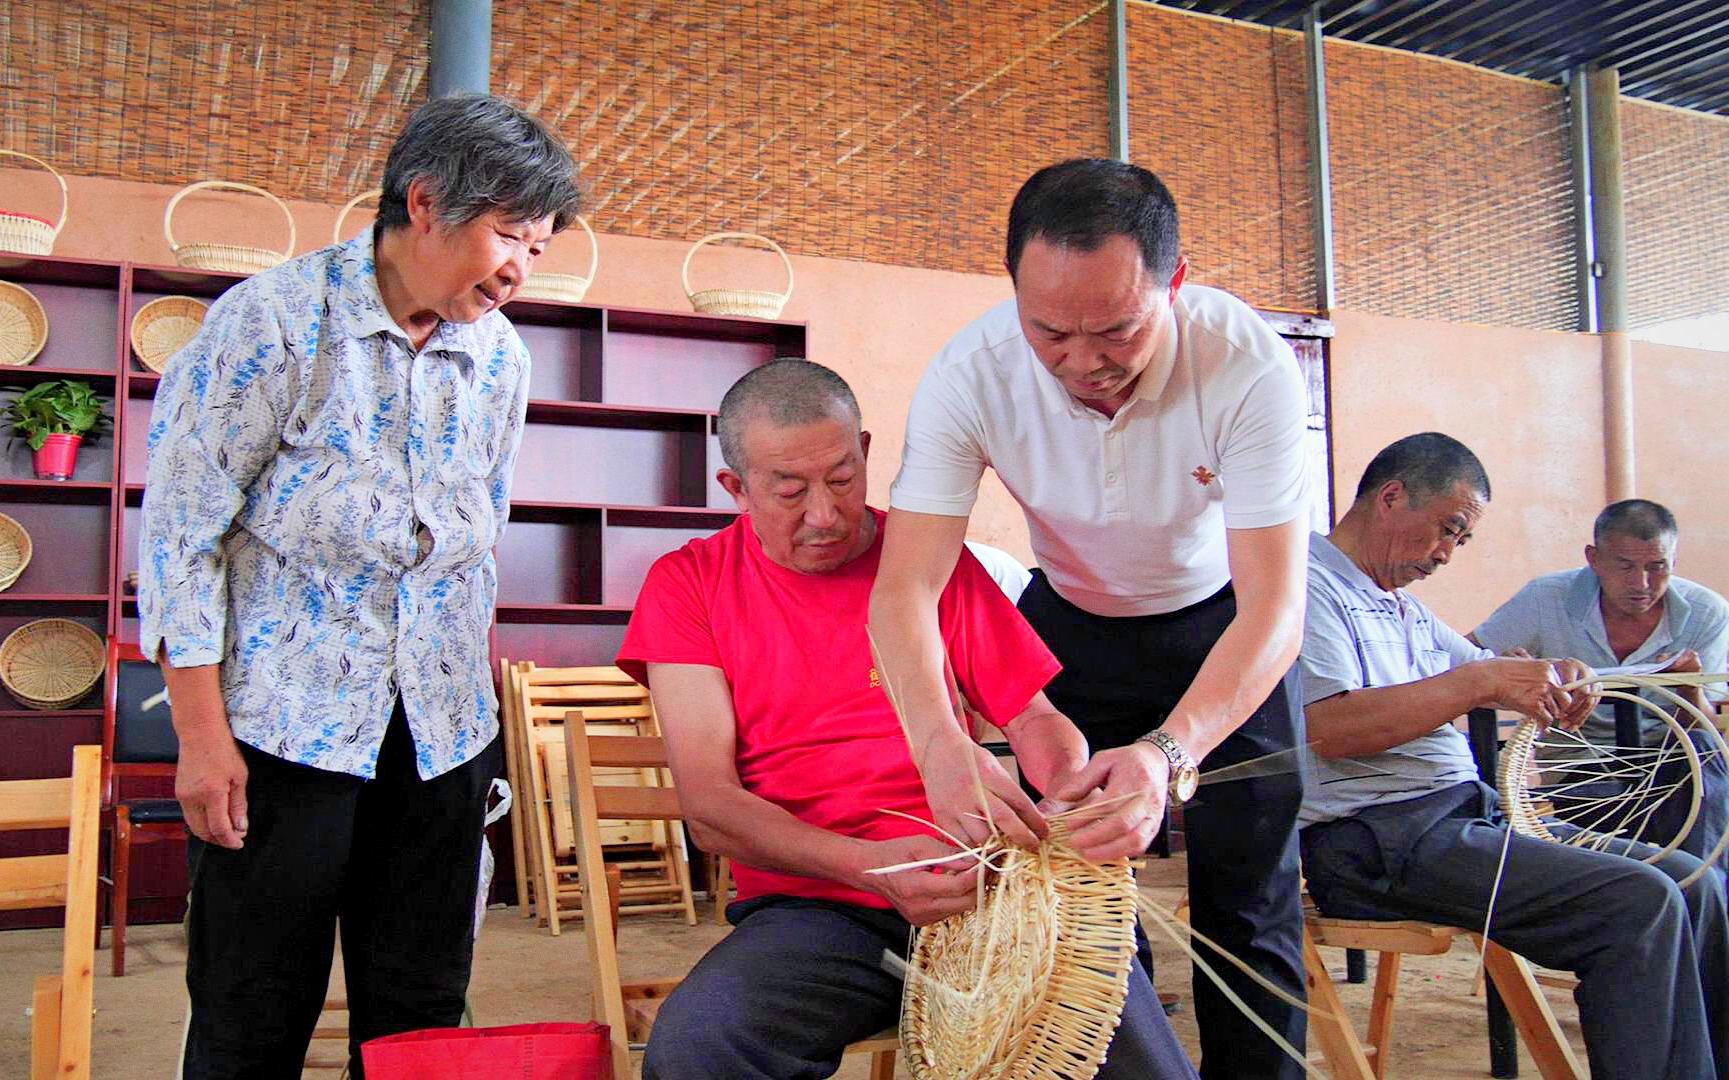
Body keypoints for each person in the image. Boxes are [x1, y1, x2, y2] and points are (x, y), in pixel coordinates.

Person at [138, 94, 582, 1078]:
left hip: (440, 737)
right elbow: (179, 536)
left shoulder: (500, 358)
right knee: (252, 1010)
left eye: (539, 248)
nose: (520, 268)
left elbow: (475, 541)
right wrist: (203, 740)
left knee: (424, 1016)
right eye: (509, 236)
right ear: (423, 205)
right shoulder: (273, 325)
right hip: (282, 732)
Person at [618, 360, 1196, 1080]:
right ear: (736, 487)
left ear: (865, 450)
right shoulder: (690, 584)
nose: (824, 514)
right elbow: (710, 807)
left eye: (841, 478)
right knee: (701, 1045)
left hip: (988, 894)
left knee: (1115, 1040)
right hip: (820, 909)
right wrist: (871, 868)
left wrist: (1069, 788)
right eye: (789, 491)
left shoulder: (930, 563)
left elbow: (1034, 718)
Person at [868, 158, 1310, 1076]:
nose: (1082, 363)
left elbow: (1276, 606)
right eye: (1050, 332)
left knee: (1250, 905)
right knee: (1079, 899)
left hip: (1219, 630)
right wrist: (941, 745)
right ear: (1015, 295)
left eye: (1116, 330)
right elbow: (905, 587)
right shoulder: (973, 374)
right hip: (1069, 623)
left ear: (1174, 284)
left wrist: (1170, 754)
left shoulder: (1247, 363)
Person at [1299, 433, 1729, 1080]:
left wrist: (1554, 677)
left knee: (1693, 884)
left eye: (1460, 540)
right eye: (1447, 530)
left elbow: (1487, 667)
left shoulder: (1402, 604)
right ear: (1391, 498)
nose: (1446, 553)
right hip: (1377, 841)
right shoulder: (1308, 587)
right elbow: (1328, 729)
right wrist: (1481, 683)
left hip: (1463, 818)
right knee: (1639, 903)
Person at [1473, 499, 1729, 861]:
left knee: (1703, 754)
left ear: (1674, 560)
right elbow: (1467, 659)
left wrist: (1688, 688)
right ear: (1593, 558)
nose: (1641, 584)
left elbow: (1710, 732)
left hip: (1669, 765)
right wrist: (1504, 668)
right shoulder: (1546, 598)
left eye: (1657, 567)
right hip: (1579, 770)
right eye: (1625, 567)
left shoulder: (1707, 612)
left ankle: (1705, 889)